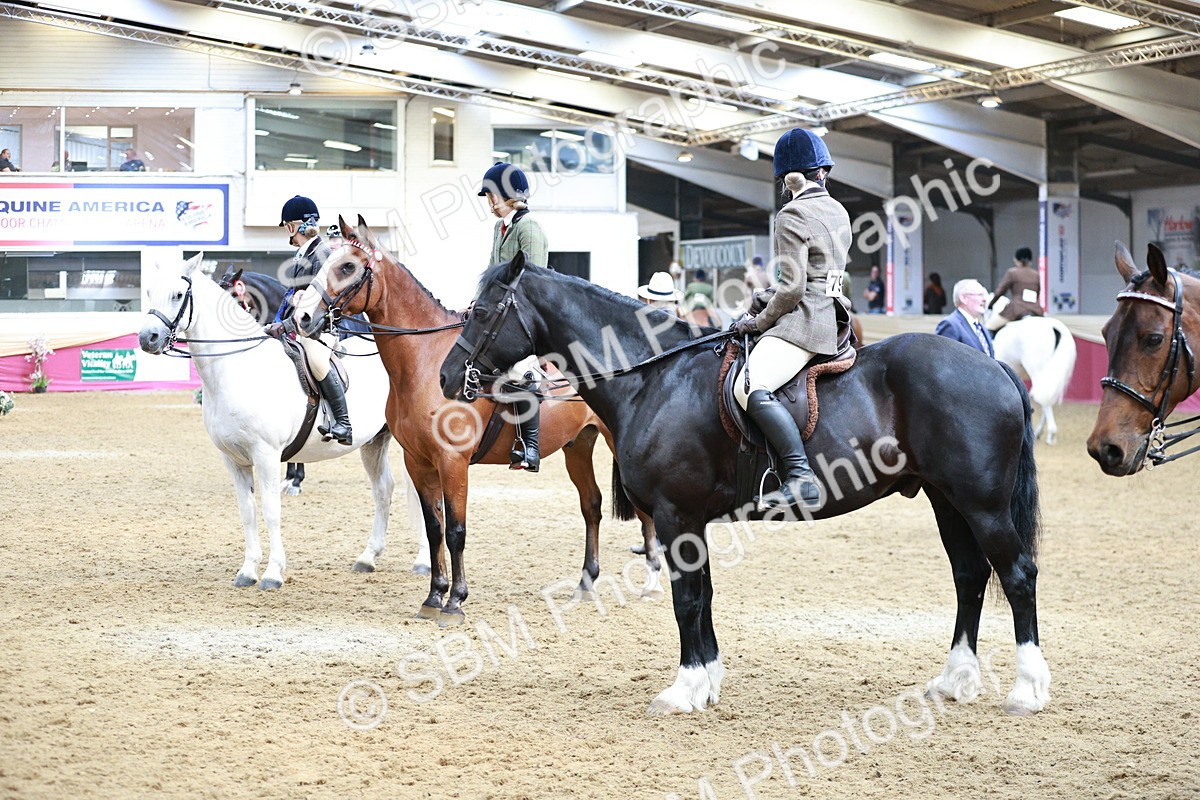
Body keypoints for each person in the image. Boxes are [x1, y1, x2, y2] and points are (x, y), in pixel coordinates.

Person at [729, 128, 851, 510]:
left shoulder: (793, 213)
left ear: (790, 178)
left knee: (748, 386)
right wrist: (761, 297)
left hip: (806, 321)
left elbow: (794, 290)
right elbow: (816, 275)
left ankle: (800, 476)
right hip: (835, 312)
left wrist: (758, 321)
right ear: (823, 172)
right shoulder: (838, 210)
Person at [266, 195, 352, 445]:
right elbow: (293, 296)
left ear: (292, 226)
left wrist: (289, 323)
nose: (288, 233)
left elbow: (319, 301)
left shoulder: (322, 253)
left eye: (287, 227)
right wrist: (278, 322)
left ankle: (343, 422)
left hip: (319, 329)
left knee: (315, 358)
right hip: (299, 326)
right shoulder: (304, 253)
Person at [479, 162, 547, 472]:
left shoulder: (528, 227)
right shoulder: (499, 228)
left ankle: (530, 446)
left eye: (492, 196)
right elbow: (494, 274)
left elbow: (533, 278)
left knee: (522, 370)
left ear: (509, 195)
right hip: (499, 313)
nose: (490, 202)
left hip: (528, 314)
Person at [987, 247, 1042, 331]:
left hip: (1016, 310)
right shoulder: (1036, 275)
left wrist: (991, 304)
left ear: (1017, 259)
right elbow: (1038, 292)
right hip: (1035, 310)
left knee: (989, 327)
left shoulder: (1012, 272)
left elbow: (1000, 291)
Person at [935, 279, 994, 357]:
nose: (984, 299)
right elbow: (944, 360)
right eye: (980, 295)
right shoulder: (950, 325)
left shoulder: (981, 327)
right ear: (963, 298)